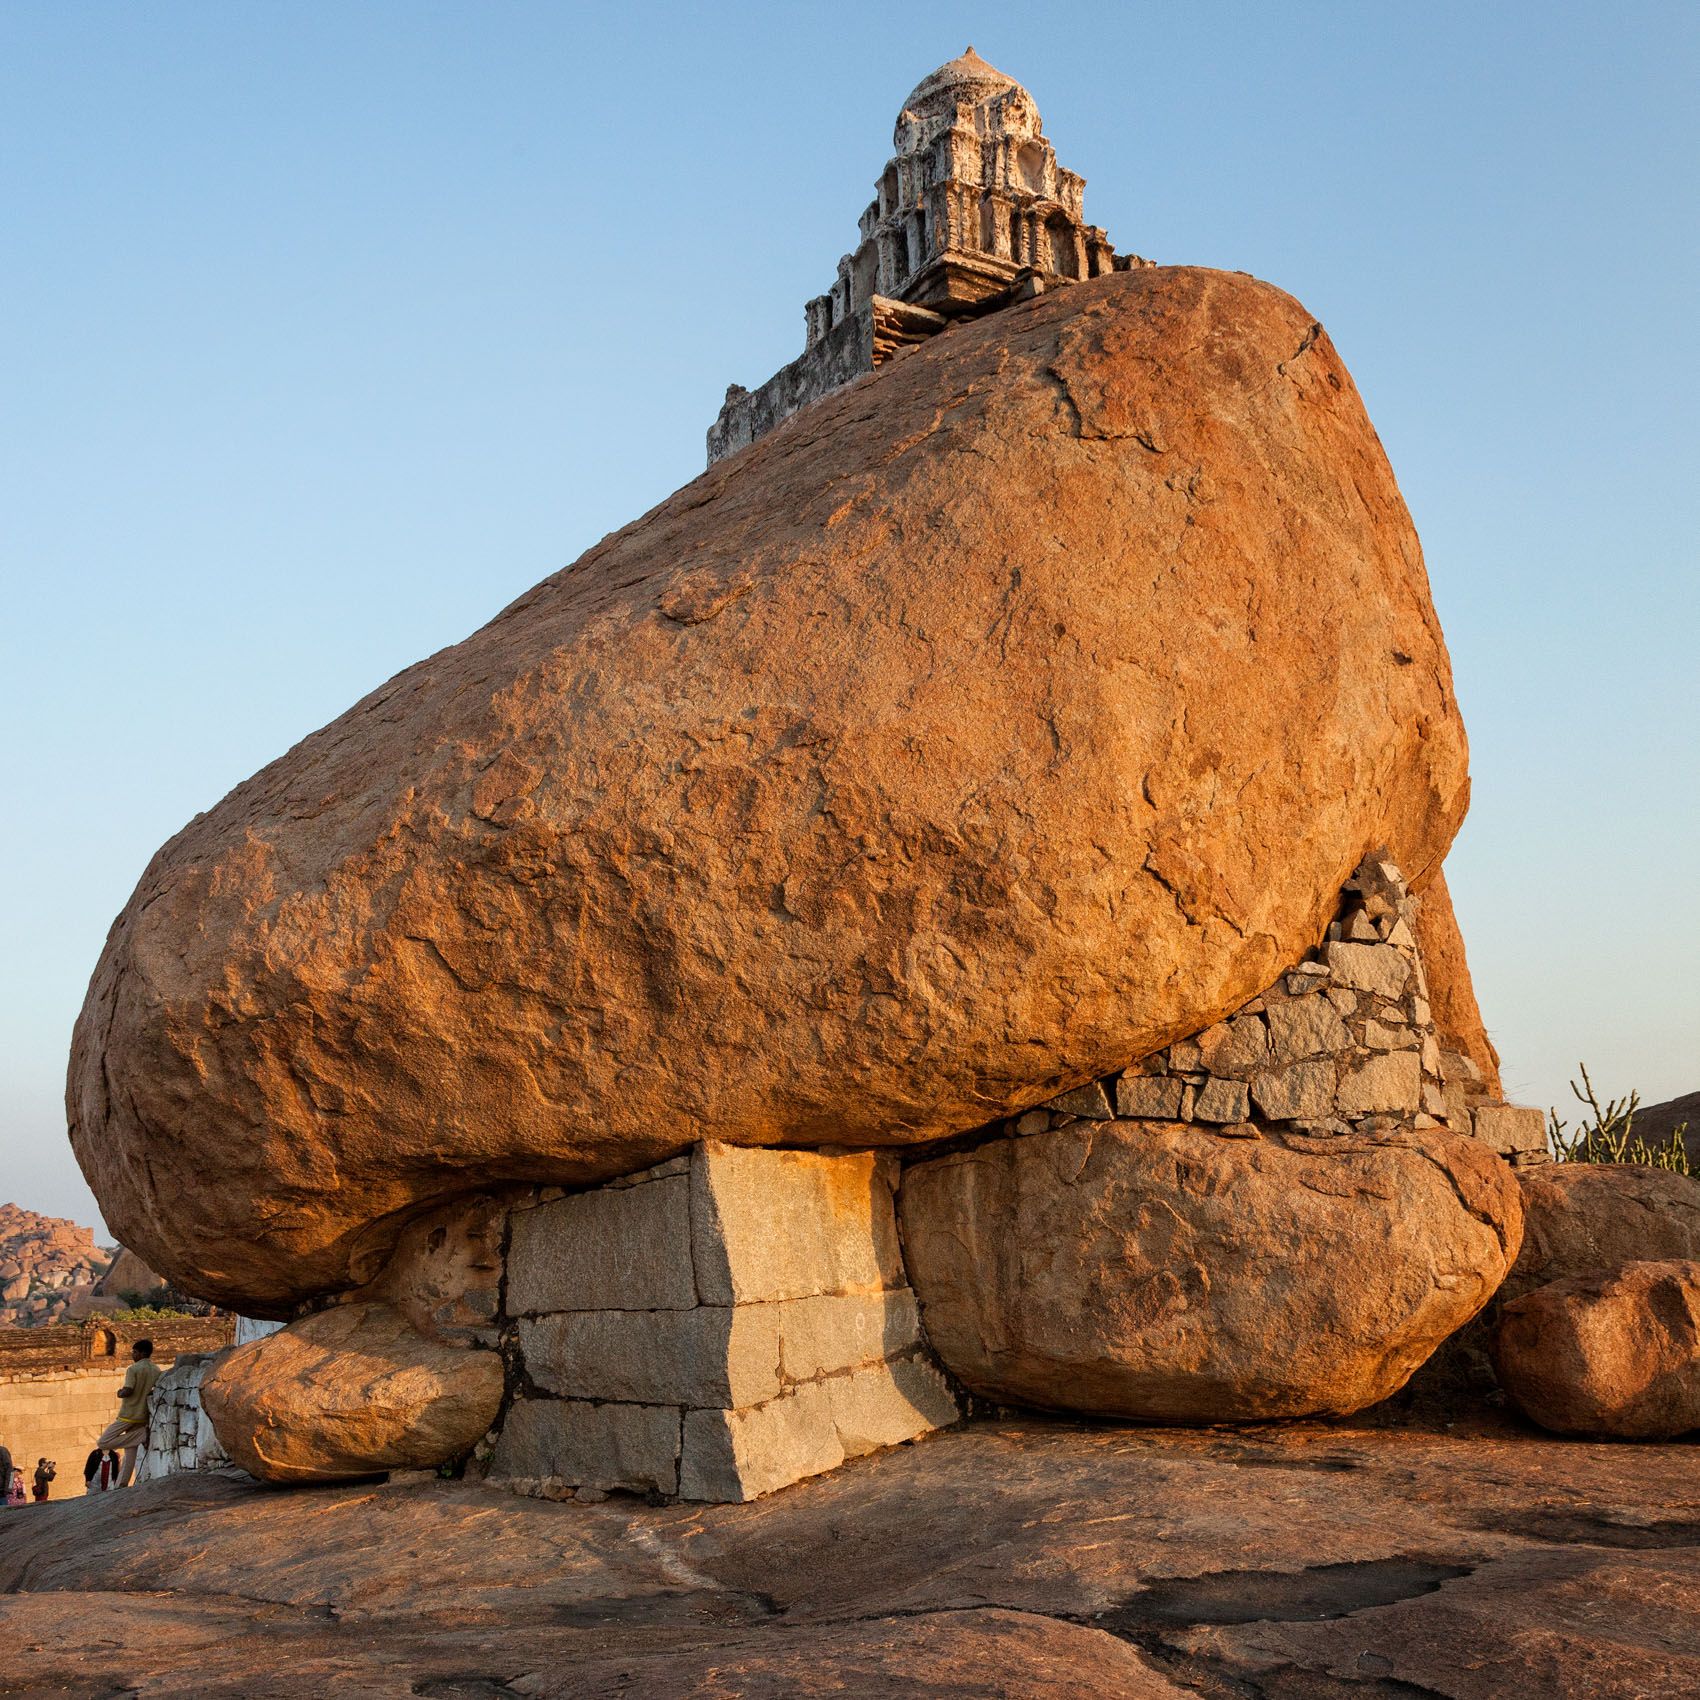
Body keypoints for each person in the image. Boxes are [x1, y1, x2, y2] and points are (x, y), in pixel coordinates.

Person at [93, 1337, 161, 1488]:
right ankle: (121, 1485)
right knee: (130, 1453)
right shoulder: (156, 1370)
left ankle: (142, 1435)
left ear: (142, 1353)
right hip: (143, 1415)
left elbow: (128, 1390)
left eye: (135, 1352)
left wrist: (120, 1392)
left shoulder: (133, 1369)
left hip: (129, 1414)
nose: (133, 1355)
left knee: (103, 1442)